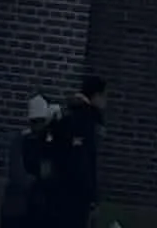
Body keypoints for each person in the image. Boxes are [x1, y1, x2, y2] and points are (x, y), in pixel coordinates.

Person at [37, 74, 107, 228]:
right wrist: (92, 197)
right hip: (76, 195)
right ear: (96, 95)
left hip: (56, 191)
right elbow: (86, 161)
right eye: (103, 96)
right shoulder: (87, 121)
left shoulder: (66, 114)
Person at [0, 95, 59, 228]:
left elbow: (47, 171)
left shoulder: (46, 142)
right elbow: (17, 172)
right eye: (35, 122)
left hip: (36, 205)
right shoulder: (22, 141)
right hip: (20, 205)